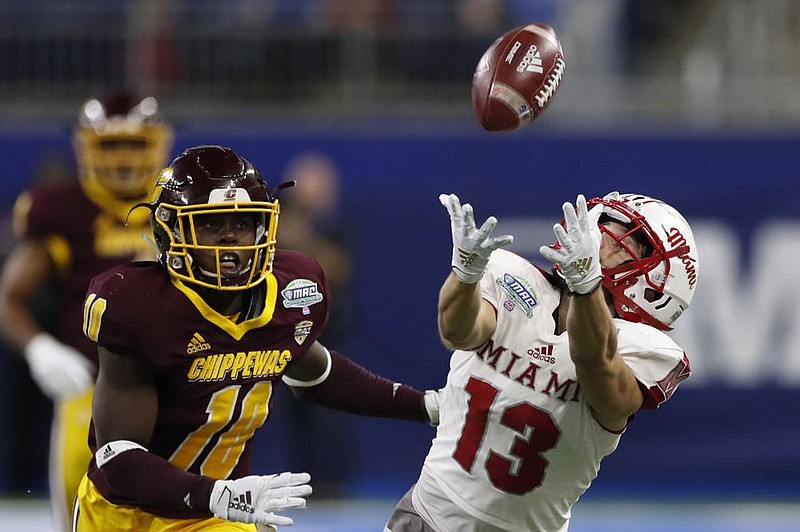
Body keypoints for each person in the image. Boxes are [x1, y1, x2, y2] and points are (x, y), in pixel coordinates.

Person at [73, 145, 439, 531]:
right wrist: (219, 495)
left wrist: (428, 406)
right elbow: (117, 458)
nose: (231, 238)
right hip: (125, 514)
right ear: (171, 231)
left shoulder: (288, 291)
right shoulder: (139, 305)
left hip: (213, 518)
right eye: (212, 224)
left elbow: (318, 374)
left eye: (243, 223)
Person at [385, 192, 698, 532]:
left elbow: (597, 367)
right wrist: (465, 275)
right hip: (428, 516)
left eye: (623, 243)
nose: (598, 239)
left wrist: (586, 285)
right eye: (602, 227)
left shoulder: (643, 347)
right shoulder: (513, 277)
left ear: (657, 288)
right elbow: (458, 332)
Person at [0, 91, 174, 532]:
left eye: (133, 144)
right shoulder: (60, 209)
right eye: (110, 145)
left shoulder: (185, 199)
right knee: (82, 519)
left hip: (182, 385)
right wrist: (40, 348)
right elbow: (9, 296)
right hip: (94, 389)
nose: (122, 158)